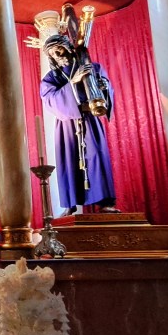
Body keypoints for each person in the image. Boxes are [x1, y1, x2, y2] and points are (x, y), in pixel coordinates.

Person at [39, 33, 117, 215]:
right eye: (52, 53)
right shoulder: (51, 78)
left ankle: (106, 202)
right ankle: (71, 203)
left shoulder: (91, 67)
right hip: (67, 126)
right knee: (69, 161)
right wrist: (73, 82)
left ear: (68, 47)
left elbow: (106, 89)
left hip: (90, 118)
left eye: (59, 48)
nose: (58, 54)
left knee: (97, 156)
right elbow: (50, 100)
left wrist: (102, 86)